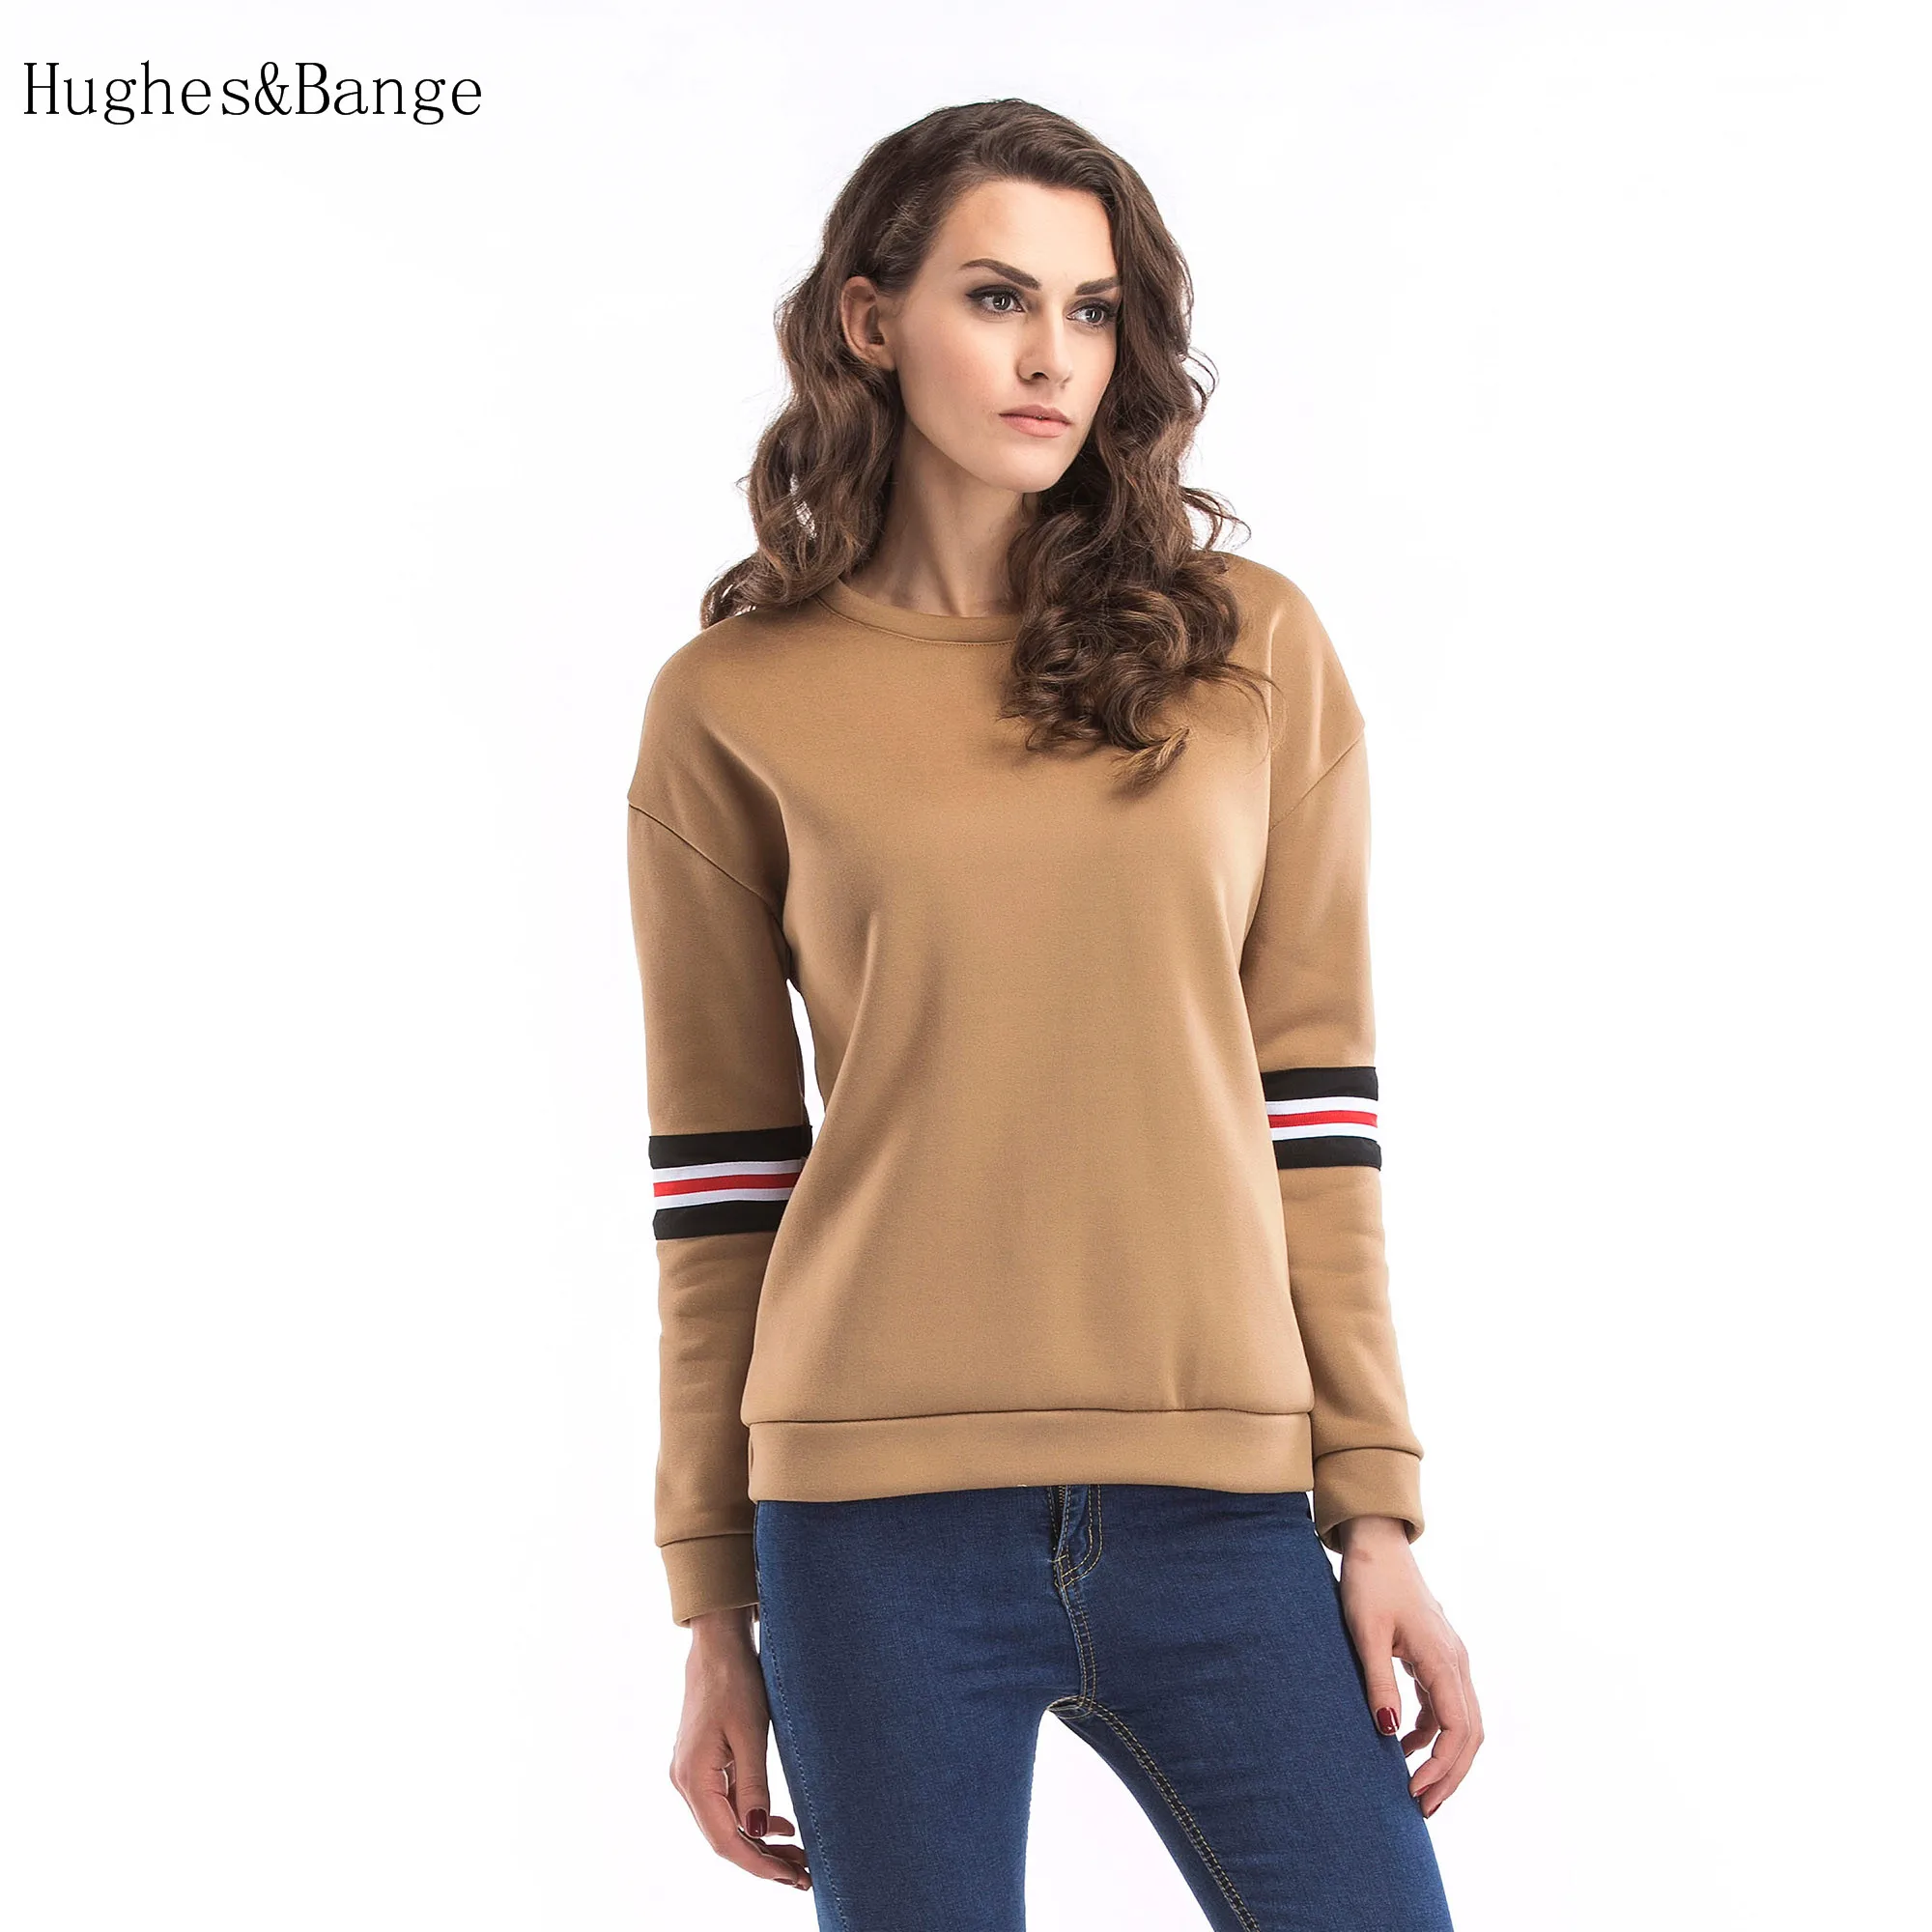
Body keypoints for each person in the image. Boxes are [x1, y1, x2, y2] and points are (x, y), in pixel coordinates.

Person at [623, 98, 1480, 1930]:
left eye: (1094, 310)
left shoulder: (1250, 652)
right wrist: (714, 1606)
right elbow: (719, 1182)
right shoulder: (732, 703)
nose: (1053, 357)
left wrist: (1375, 1506)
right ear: (871, 321)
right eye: (999, 297)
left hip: (1219, 1506)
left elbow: (1317, 1108)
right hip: (870, 1534)